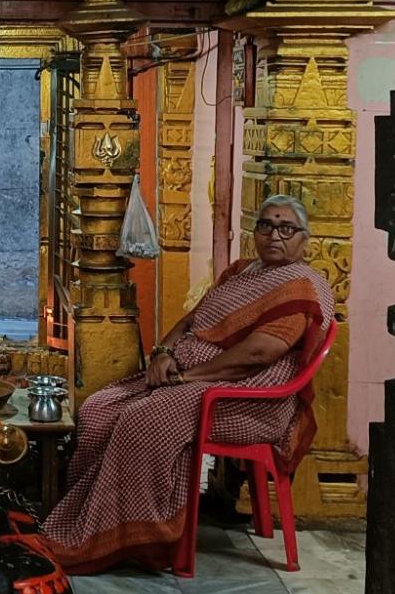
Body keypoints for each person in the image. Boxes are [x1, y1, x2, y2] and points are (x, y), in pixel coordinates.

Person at [41, 194, 333, 574]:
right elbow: (191, 321)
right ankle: (82, 518)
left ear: (304, 240)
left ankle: (133, 538)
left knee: (141, 420)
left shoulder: (302, 288)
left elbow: (258, 355)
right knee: (98, 408)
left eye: (286, 228)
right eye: (266, 225)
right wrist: (162, 352)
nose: (274, 235)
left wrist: (184, 378)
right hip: (189, 377)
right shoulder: (242, 272)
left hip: (246, 397)